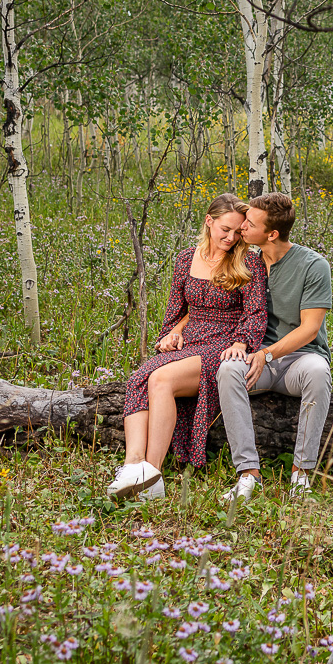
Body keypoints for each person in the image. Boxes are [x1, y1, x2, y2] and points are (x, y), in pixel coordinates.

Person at [107, 194, 267, 500]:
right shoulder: (185, 259)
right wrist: (173, 333)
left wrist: (240, 342)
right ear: (209, 221)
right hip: (190, 341)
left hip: (223, 344)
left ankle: (151, 475)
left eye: (237, 232)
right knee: (138, 378)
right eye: (225, 229)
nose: (231, 238)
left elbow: (255, 312)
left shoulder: (248, 261)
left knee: (161, 379)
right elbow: (177, 311)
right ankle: (132, 465)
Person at [217, 192, 332, 502]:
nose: (241, 228)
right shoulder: (246, 261)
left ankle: (301, 474)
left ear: (272, 234)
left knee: (319, 373)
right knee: (228, 370)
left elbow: (309, 329)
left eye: (249, 224)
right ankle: (248, 474)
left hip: (299, 360)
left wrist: (266, 353)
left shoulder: (313, 266)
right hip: (258, 362)